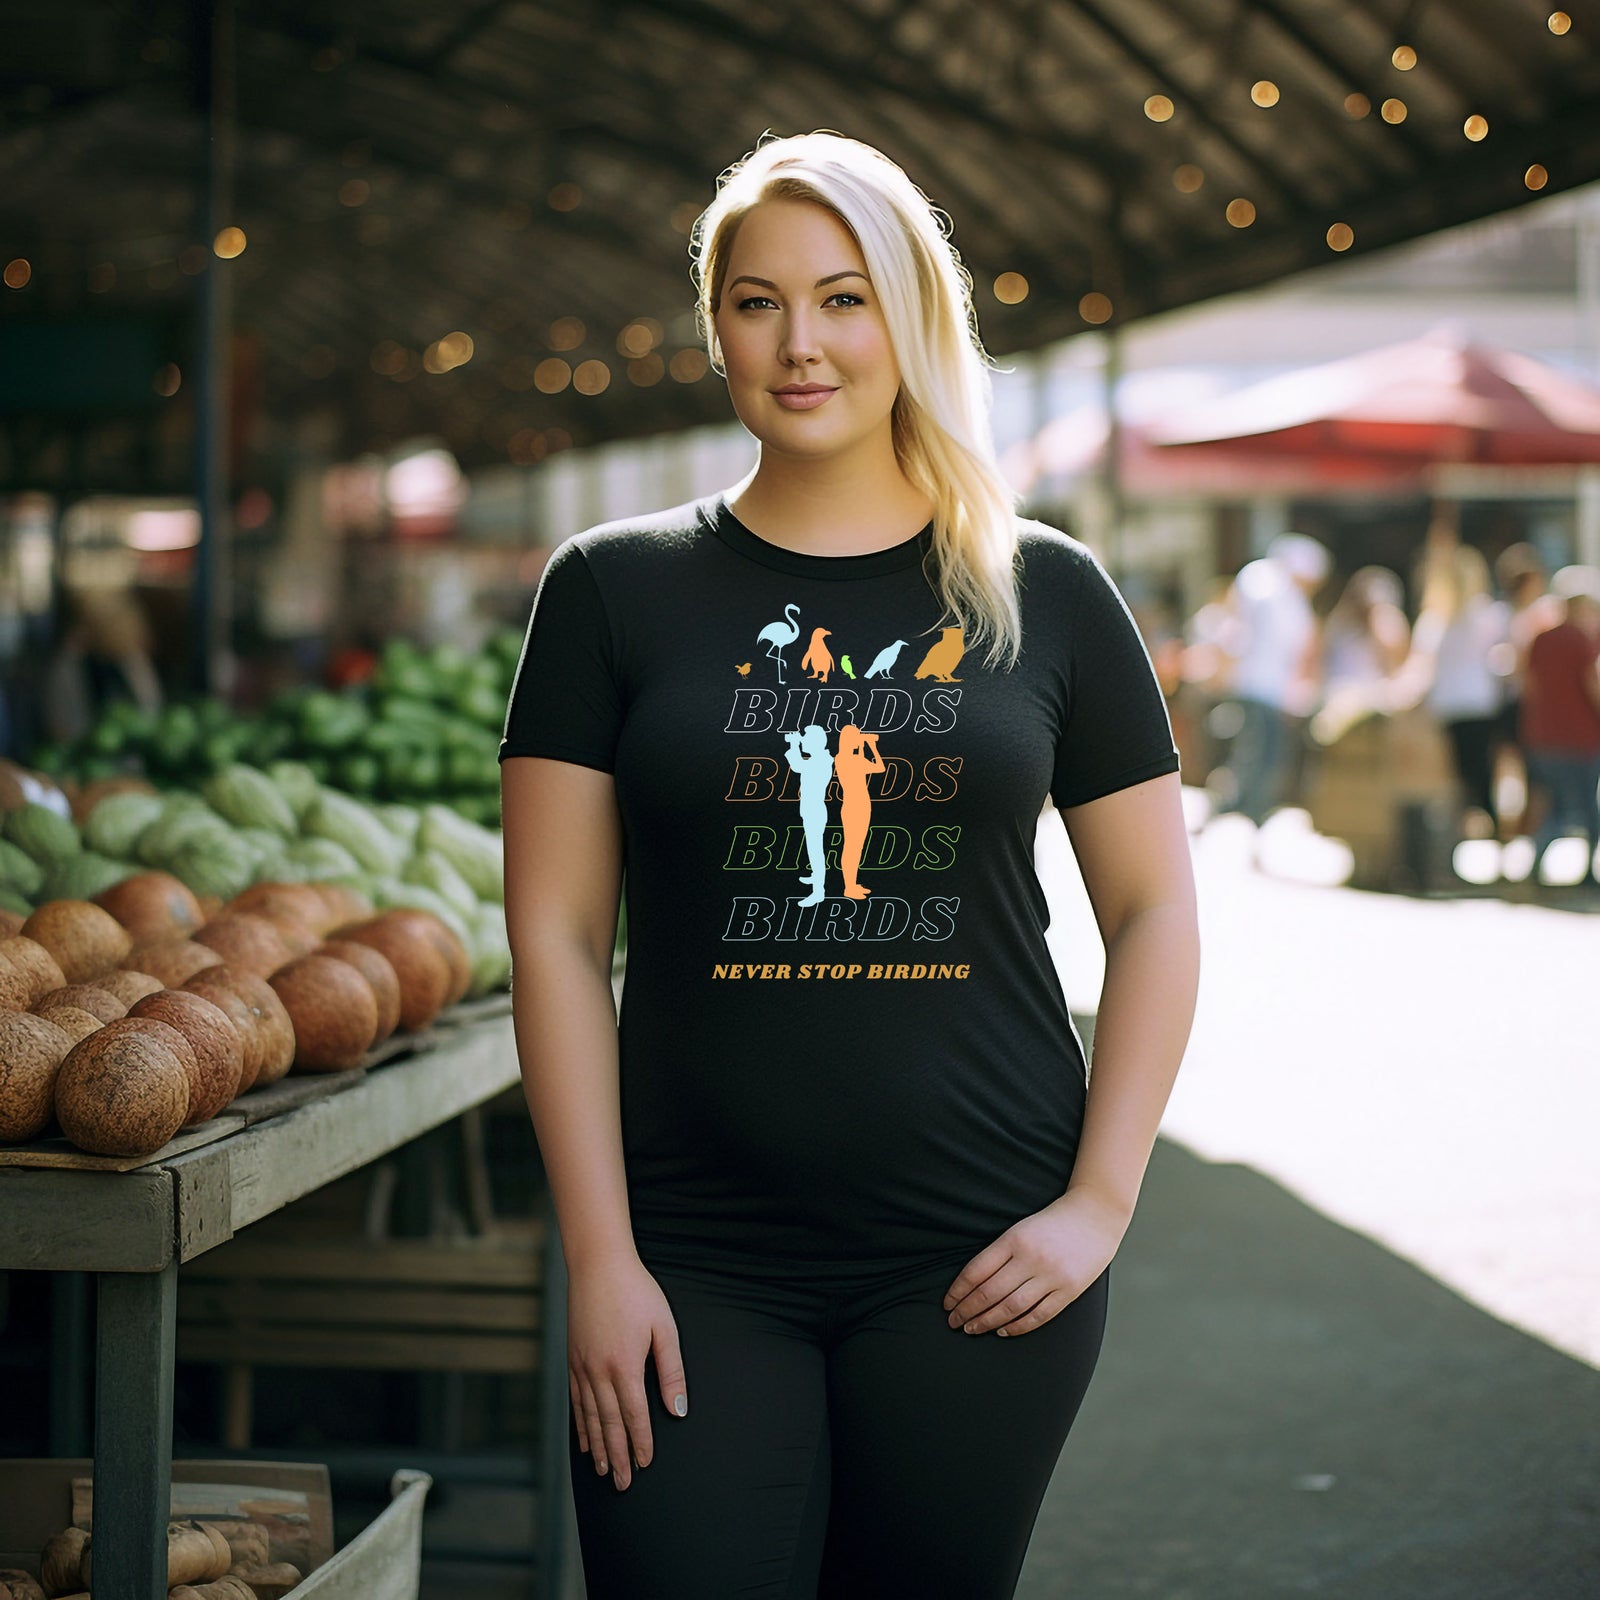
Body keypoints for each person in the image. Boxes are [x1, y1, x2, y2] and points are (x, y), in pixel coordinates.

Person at [499, 130, 1200, 1598]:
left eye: (842, 299)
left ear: (911, 317)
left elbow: (1152, 913)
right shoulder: (609, 591)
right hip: (692, 1258)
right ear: (716, 330)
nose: (799, 344)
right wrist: (599, 1259)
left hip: (980, 1254)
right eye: (756, 303)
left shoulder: (1045, 590)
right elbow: (556, 940)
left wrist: (1100, 1202)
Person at [1214, 532, 1329, 823]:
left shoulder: (1269, 587)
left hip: (1259, 686)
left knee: (1256, 752)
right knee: (1259, 754)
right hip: (1260, 686)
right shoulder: (1273, 588)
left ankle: (1244, 809)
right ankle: (1245, 811)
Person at [1519, 564, 1600, 885]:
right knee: (1586, 808)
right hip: (1579, 738)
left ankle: (1535, 867)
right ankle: (1588, 873)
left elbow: (1528, 687)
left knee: (1553, 805)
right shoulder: (1581, 640)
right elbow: (1593, 687)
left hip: (1543, 738)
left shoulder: (1541, 640)